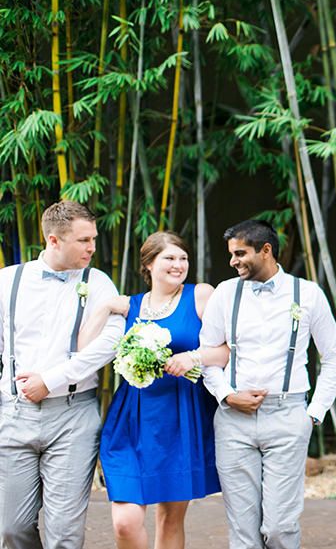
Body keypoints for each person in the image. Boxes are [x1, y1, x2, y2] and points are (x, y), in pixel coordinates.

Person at [197, 220, 336, 549]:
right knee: (243, 532)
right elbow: (208, 356)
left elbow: (335, 357)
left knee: (280, 527)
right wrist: (226, 395)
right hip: (233, 421)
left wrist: (313, 414)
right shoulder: (224, 293)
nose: (233, 261)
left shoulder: (307, 294)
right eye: (232, 255)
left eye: (240, 253)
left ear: (266, 250)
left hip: (288, 415)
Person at [77, 231, 220, 549]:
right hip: (132, 417)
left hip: (180, 416)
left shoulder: (201, 296)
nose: (179, 264)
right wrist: (103, 308)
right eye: (170, 258)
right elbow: (84, 349)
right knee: (125, 523)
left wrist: (191, 357)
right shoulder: (131, 306)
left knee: (170, 518)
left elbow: (226, 350)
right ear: (149, 264)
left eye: (183, 258)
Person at [0, 201, 125, 548]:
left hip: (73, 414)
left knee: (64, 534)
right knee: (11, 529)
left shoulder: (98, 282)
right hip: (13, 415)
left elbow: (109, 344)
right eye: (84, 241)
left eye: (94, 239)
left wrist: (50, 380)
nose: (93, 248)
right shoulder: (7, 281)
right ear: (54, 241)